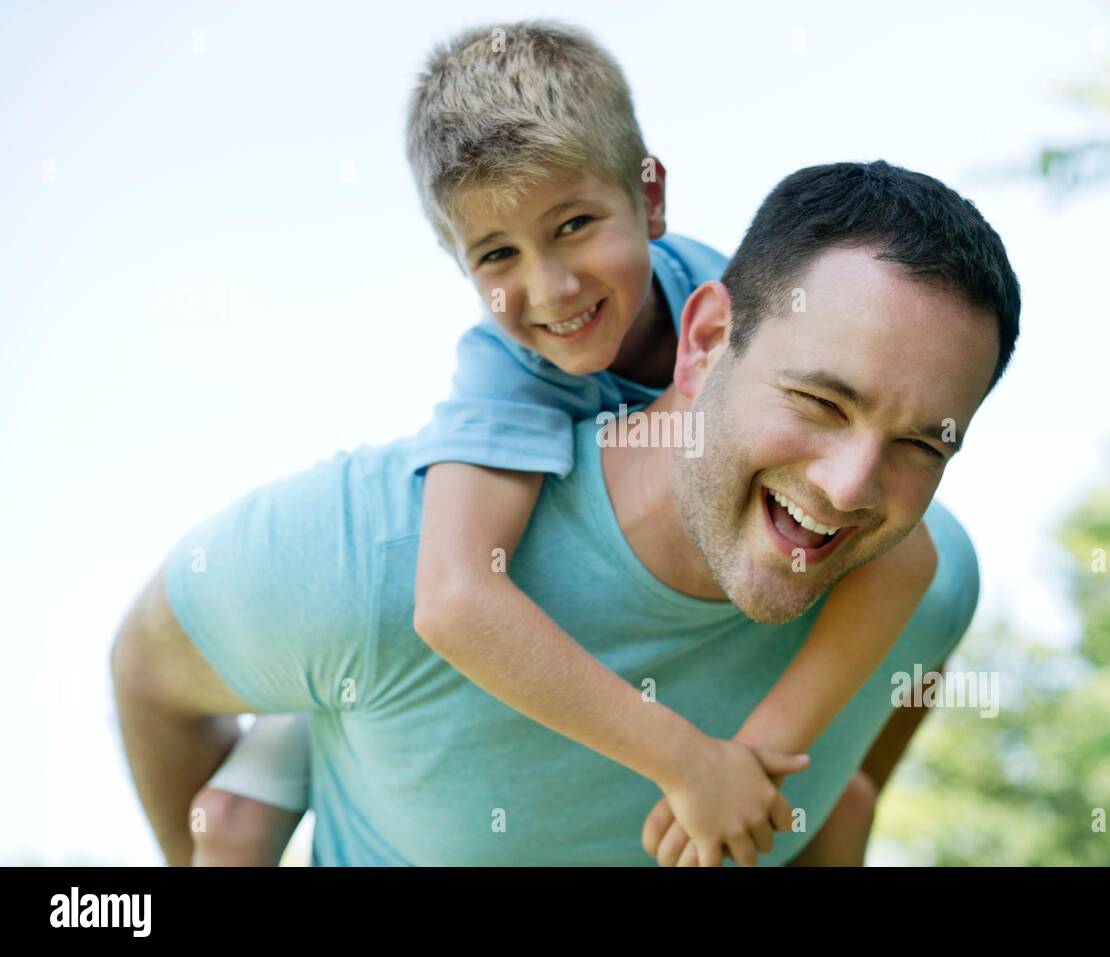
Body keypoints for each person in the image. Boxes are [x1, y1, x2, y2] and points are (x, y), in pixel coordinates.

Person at [111, 157, 1020, 866]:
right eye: (821, 402)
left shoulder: (930, 592)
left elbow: (843, 797)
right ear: (705, 341)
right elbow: (149, 677)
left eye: (924, 443)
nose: (852, 485)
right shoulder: (375, 557)